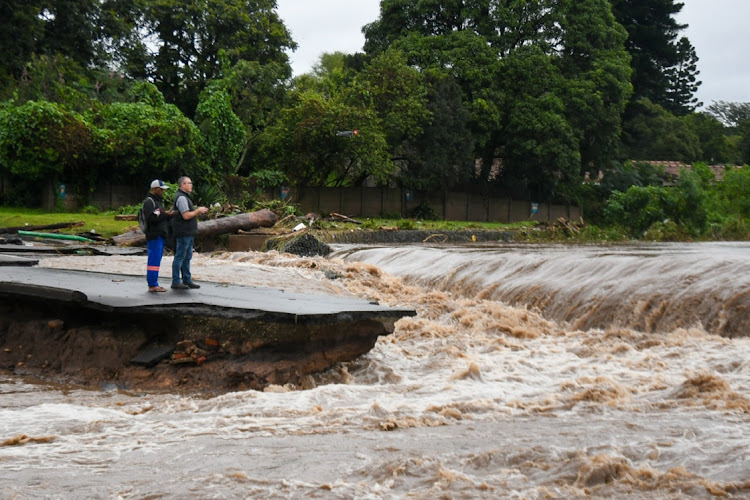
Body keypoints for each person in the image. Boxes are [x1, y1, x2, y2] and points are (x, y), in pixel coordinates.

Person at [171, 176, 208, 290]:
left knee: (187, 257)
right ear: (183, 185)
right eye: (189, 183)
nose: (191, 185)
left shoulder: (185, 197)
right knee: (180, 256)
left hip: (188, 232)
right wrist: (198, 211)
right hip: (183, 232)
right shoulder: (181, 198)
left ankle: (187, 280)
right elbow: (186, 215)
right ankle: (176, 281)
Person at [144, 179, 176, 292]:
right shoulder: (149, 201)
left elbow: (159, 215)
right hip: (154, 235)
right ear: (155, 189)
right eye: (161, 189)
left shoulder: (157, 201)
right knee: (154, 260)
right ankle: (152, 285)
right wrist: (165, 214)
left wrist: (167, 215)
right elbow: (151, 218)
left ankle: (154, 283)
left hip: (160, 235)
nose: (162, 191)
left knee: (156, 260)